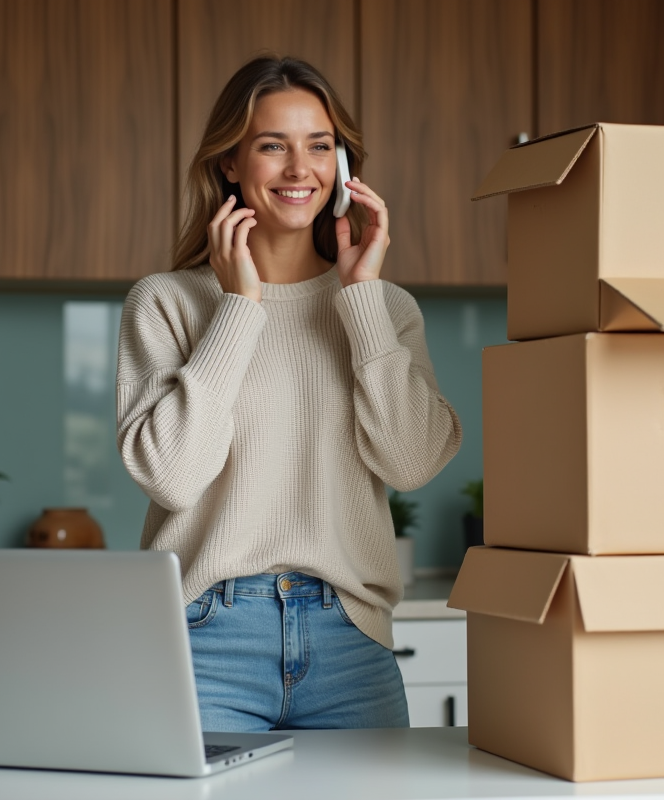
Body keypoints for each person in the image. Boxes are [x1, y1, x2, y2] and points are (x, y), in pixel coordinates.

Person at [115, 55, 462, 732]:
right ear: (230, 164)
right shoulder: (167, 303)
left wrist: (359, 299)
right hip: (204, 640)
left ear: (343, 167)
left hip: (351, 642)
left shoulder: (383, 307)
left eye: (320, 146)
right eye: (272, 146)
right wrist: (240, 307)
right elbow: (172, 478)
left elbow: (412, 463)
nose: (300, 170)